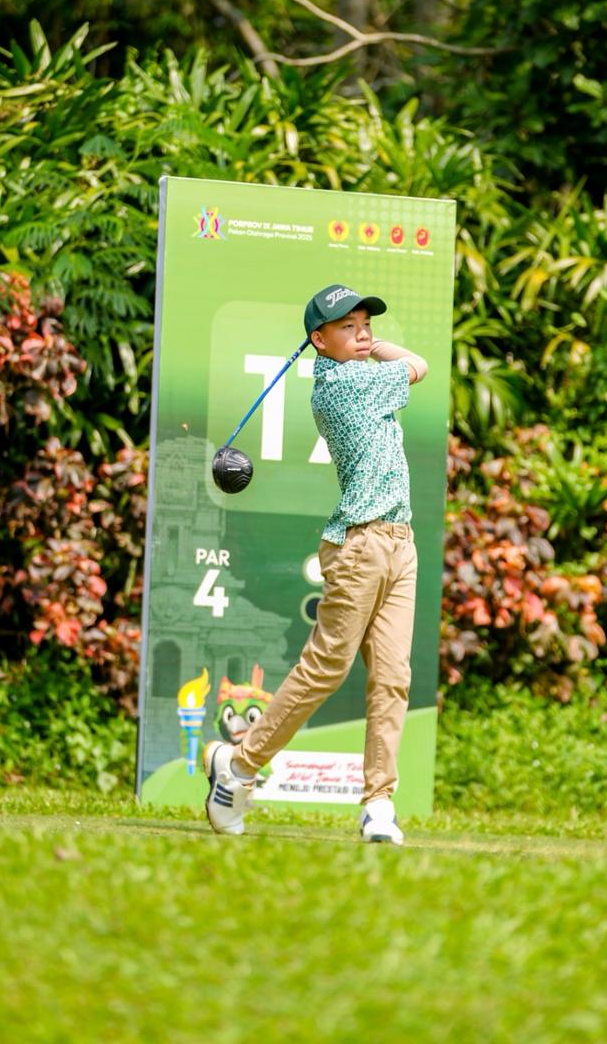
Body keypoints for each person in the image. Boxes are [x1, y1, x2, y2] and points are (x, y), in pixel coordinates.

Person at [203, 283, 427, 845]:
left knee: (394, 679)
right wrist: (376, 350)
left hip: (400, 544)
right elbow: (418, 365)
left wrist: (364, 344)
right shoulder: (344, 388)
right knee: (326, 668)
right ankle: (239, 764)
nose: (364, 334)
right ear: (318, 341)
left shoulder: (354, 374)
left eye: (367, 325)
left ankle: (379, 804)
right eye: (348, 328)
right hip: (360, 547)